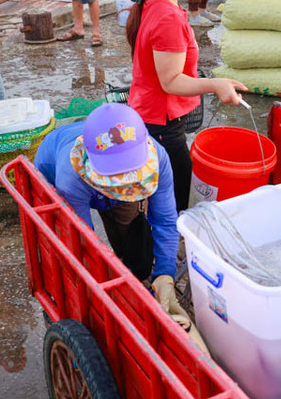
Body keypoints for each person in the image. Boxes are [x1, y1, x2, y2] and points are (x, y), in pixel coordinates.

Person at [125, 0, 246, 211]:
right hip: (160, 125)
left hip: (147, 116)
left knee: (163, 194)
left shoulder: (154, 4)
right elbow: (171, 81)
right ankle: (172, 253)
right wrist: (216, 85)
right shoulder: (167, 16)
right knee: (178, 202)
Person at [34, 103, 178, 282]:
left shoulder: (158, 158)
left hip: (105, 167)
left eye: (129, 181)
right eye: (117, 182)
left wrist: (166, 273)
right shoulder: (70, 177)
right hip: (59, 172)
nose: (120, 189)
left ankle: (131, 276)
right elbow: (83, 240)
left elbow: (165, 220)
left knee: (132, 239)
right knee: (65, 248)